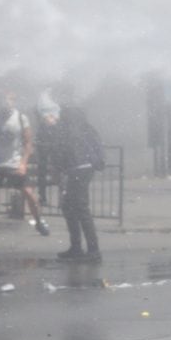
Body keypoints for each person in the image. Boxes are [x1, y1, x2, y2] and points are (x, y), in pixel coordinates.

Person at [0, 91, 50, 235]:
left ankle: (39, 222)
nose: (6, 102)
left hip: (14, 163)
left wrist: (23, 163)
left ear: (14, 101)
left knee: (29, 193)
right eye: (3, 99)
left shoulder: (21, 118)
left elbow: (28, 143)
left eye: (9, 100)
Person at [54, 102, 105, 262]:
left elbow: (63, 151)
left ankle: (90, 249)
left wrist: (60, 167)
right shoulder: (86, 128)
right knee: (74, 207)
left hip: (77, 169)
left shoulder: (69, 129)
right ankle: (82, 247)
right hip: (83, 169)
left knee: (77, 207)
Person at [35, 86, 61, 205]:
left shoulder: (44, 101)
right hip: (50, 140)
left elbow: (45, 117)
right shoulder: (50, 102)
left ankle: (44, 197)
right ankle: (56, 197)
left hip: (47, 140)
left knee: (47, 170)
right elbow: (49, 118)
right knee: (54, 169)